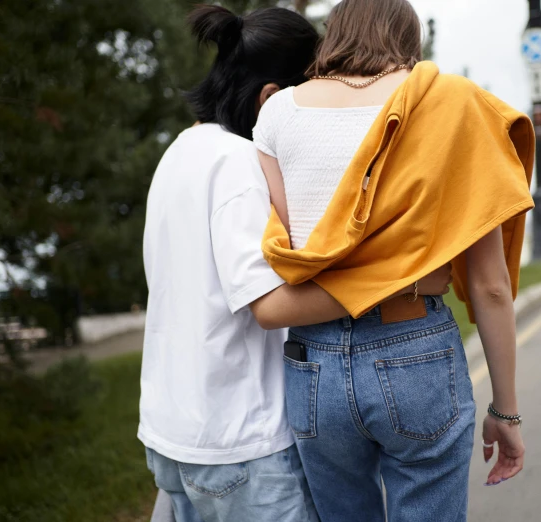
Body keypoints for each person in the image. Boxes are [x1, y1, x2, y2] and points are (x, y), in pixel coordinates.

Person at [139, 5, 451, 522]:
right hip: (243, 444)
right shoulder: (237, 163)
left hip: (172, 434)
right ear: (270, 99)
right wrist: (398, 280)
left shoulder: (180, 151)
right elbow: (267, 305)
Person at [254, 0, 533, 520]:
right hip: (416, 349)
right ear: (410, 41)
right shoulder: (452, 105)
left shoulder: (277, 112)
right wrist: (505, 410)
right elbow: (491, 285)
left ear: (332, 34)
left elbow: (295, 249)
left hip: (312, 361)